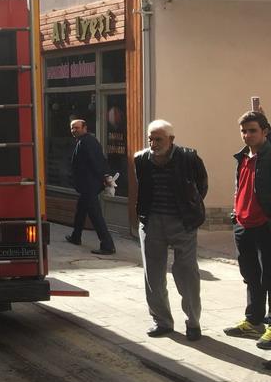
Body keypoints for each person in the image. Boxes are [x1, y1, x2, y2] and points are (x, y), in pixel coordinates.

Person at [133, 120, 208, 340]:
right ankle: (162, 321)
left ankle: (193, 322)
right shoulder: (141, 159)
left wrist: (189, 210)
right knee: (153, 276)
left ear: (171, 140)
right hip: (151, 222)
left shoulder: (188, 157)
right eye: (150, 139)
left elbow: (201, 186)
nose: (154, 143)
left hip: (182, 223)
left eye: (159, 139)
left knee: (187, 273)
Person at [224, 110, 271, 349]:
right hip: (243, 225)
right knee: (251, 275)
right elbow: (240, 187)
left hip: (265, 225)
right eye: (243, 130)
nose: (247, 135)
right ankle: (254, 322)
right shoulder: (242, 156)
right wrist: (235, 215)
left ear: (265, 131)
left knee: (269, 276)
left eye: (252, 130)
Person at [64, 118, 117, 254]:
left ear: (85, 128)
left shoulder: (88, 142)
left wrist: (105, 176)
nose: (74, 130)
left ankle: (107, 245)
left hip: (89, 185)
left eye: (77, 127)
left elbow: (97, 161)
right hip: (86, 185)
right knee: (81, 210)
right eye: (72, 128)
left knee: (95, 215)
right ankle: (76, 236)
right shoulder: (84, 141)